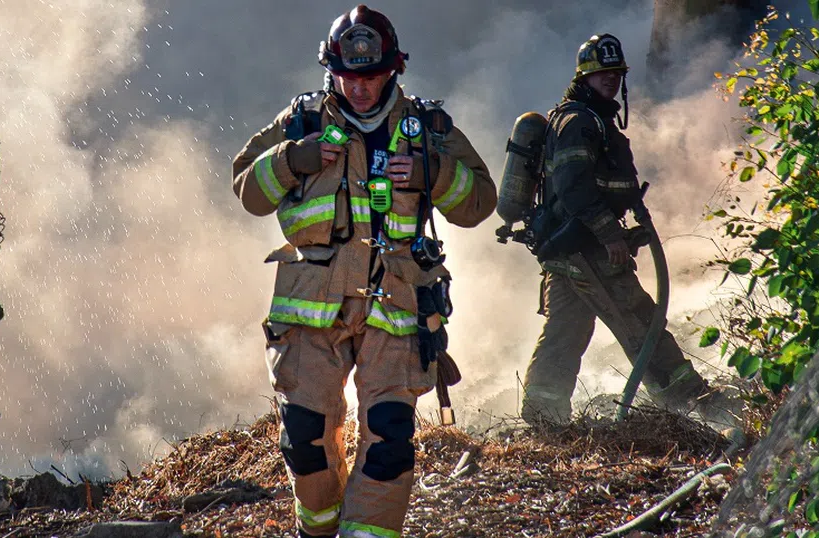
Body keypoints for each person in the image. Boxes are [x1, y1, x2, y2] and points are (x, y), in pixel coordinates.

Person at [232, 5, 496, 537]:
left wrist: (434, 173)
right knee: (304, 438)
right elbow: (247, 191)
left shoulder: (428, 128)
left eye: (371, 77)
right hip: (311, 310)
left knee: (389, 438)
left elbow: (481, 201)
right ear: (331, 71)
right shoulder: (302, 122)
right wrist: (292, 159)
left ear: (394, 70)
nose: (359, 88)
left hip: (396, 307)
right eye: (348, 77)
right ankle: (320, 528)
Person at [520, 34, 713, 428]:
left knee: (566, 329)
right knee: (639, 317)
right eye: (600, 73)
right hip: (587, 248)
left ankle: (543, 415)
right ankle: (691, 400)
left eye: (615, 73)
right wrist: (610, 234)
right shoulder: (579, 122)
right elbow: (574, 188)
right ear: (584, 77)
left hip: (570, 249)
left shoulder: (591, 120)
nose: (610, 80)